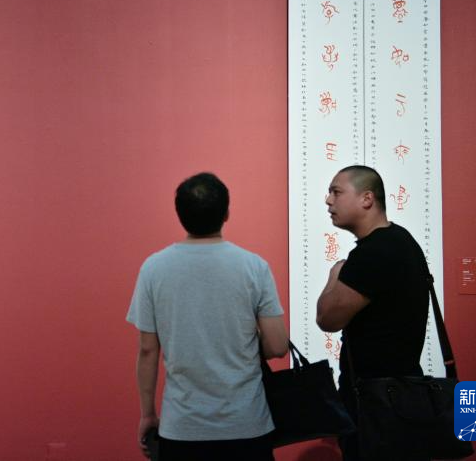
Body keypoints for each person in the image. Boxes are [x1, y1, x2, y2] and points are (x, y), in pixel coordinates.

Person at [127, 172, 289, 461]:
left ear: (179, 215)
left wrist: (148, 414)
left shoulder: (154, 268)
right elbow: (278, 346)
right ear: (226, 213)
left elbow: (148, 350)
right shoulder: (254, 267)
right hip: (247, 423)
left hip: (182, 427)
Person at [316, 165, 430, 461]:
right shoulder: (401, 240)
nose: (328, 200)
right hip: (401, 397)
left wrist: (335, 276)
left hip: (377, 405)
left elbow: (327, 318)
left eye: (336, 192)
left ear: (367, 198)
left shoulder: (374, 252)